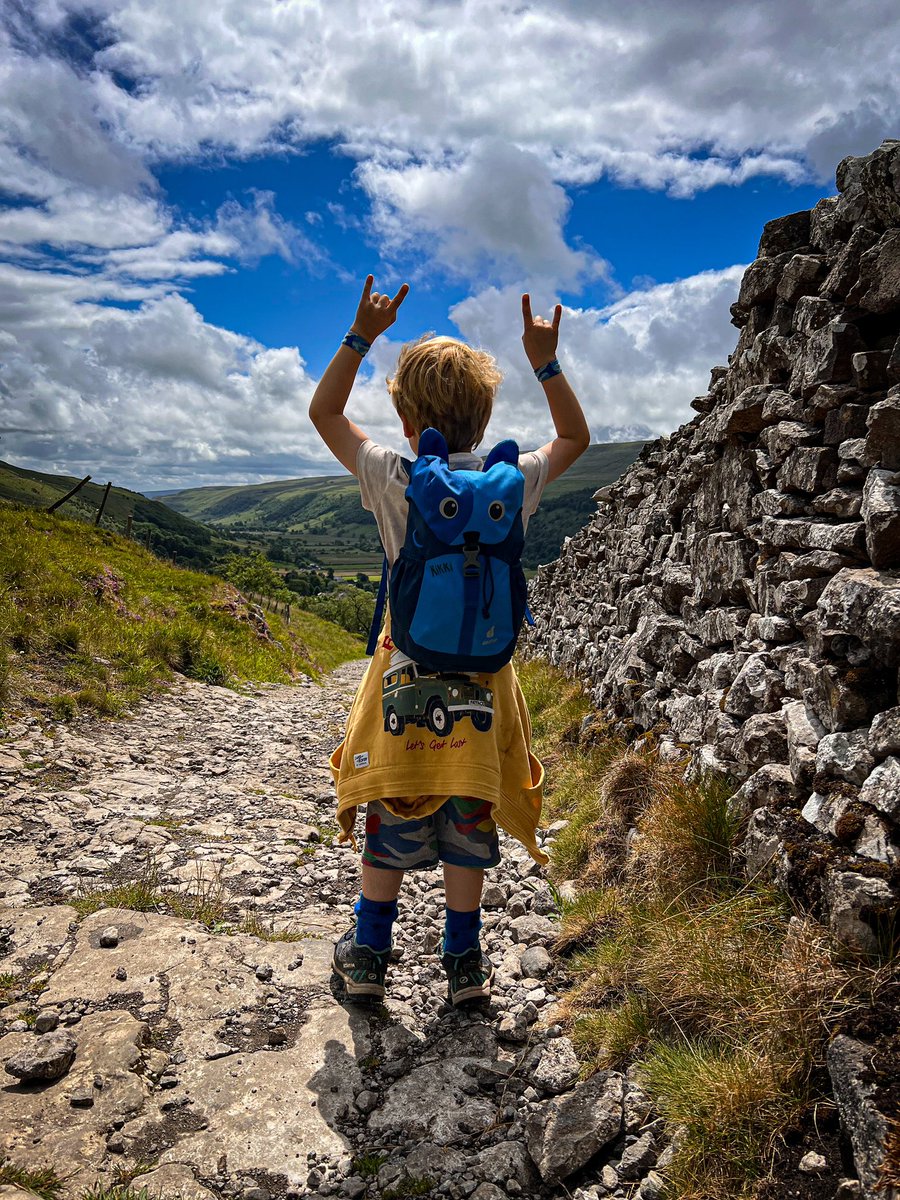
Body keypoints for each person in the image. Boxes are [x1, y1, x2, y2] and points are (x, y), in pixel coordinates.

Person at [308, 275, 590, 1006]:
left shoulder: (392, 474)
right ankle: (464, 961)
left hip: (403, 679)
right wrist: (546, 361)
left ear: (406, 420)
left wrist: (360, 336)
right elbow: (575, 439)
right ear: (486, 410)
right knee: (469, 811)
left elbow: (326, 412)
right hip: (487, 686)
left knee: (394, 806)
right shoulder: (513, 482)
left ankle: (369, 952)